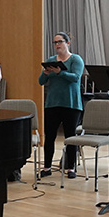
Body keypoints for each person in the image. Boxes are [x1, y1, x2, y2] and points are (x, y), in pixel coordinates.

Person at [38, 31, 84, 178]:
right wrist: (45, 73)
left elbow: (76, 78)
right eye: (55, 42)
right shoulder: (51, 60)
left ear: (67, 43)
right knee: (50, 135)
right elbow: (40, 82)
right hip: (52, 103)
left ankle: (70, 168)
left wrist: (60, 72)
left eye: (60, 42)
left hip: (71, 104)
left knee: (70, 136)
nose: (57, 45)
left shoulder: (75, 59)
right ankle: (47, 167)